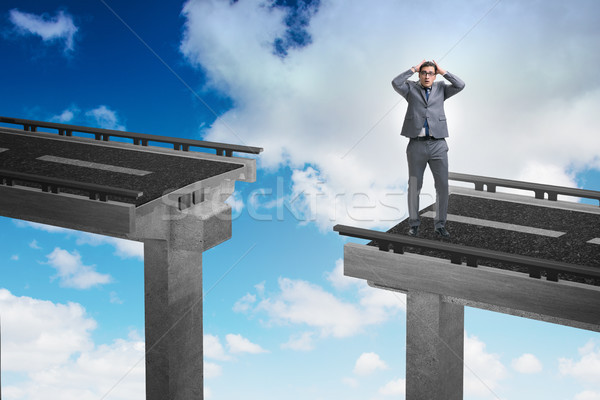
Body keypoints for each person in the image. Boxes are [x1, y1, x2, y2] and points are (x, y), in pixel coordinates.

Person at [392, 60, 465, 238]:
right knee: (414, 186)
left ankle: (440, 224)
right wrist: (412, 68)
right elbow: (395, 83)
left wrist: (443, 71)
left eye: (430, 73)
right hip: (416, 144)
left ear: (435, 75)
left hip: (438, 144)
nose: (427, 76)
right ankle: (414, 224)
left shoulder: (442, 88)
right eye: (423, 73)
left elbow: (460, 84)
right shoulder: (410, 88)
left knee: (442, 186)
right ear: (419, 74)